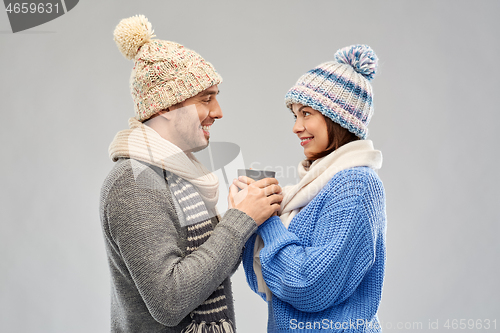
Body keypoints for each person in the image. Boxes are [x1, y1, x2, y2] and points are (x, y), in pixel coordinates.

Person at [99, 15, 282, 333]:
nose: (218, 112)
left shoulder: (177, 175)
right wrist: (238, 222)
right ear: (166, 107)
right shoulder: (134, 181)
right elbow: (169, 300)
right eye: (205, 98)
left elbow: (206, 275)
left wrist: (243, 216)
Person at [239, 44, 387, 332]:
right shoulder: (313, 187)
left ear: (337, 117)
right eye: (295, 115)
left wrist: (268, 221)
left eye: (306, 113)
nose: (296, 126)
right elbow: (271, 283)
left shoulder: (355, 185)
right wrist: (248, 215)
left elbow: (310, 286)